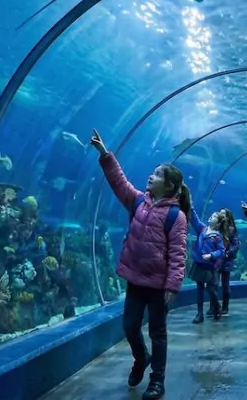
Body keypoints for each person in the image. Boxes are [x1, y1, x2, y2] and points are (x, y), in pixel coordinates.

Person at [90, 129, 189, 400]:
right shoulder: (138, 203)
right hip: (135, 280)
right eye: (153, 172)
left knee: (158, 332)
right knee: (130, 326)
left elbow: (179, 254)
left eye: (157, 175)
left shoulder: (175, 217)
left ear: (168, 186)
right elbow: (118, 183)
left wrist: (172, 286)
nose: (150, 176)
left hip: (158, 286)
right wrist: (104, 154)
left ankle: (157, 381)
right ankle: (140, 357)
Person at [187, 208, 226, 323]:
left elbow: (221, 251)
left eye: (214, 217)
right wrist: (191, 206)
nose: (211, 217)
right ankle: (199, 314)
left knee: (211, 289)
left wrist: (211, 255)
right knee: (199, 289)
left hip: (210, 266)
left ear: (218, 224)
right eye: (212, 215)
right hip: (199, 264)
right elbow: (195, 219)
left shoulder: (218, 236)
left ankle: (216, 307)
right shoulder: (202, 229)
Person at [218, 208, 239, 316]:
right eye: (220, 214)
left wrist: (228, 253)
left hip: (226, 260)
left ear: (227, 216)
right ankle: (214, 306)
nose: (221, 216)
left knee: (225, 285)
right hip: (216, 260)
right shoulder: (217, 228)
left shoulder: (231, 229)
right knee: (213, 284)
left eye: (223, 214)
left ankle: (225, 307)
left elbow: (236, 244)